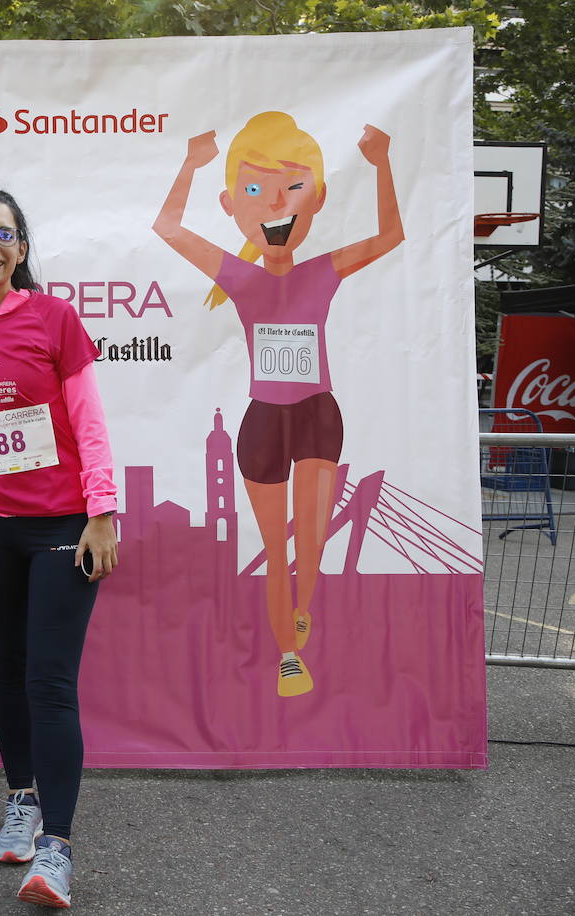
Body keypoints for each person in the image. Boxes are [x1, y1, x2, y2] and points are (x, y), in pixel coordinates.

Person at [153, 111, 403, 698]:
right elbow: (166, 227)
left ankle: (303, 608)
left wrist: (383, 163)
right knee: (273, 546)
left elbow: (391, 237)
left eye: (292, 187)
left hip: (317, 413)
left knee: (310, 540)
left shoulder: (324, 269)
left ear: (316, 199)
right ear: (232, 203)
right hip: (264, 420)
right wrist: (189, 164)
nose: (275, 205)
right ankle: (289, 654)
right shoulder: (238, 277)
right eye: (256, 190)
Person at [0, 189, 118, 908]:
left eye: (5, 235)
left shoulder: (53, 318)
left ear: (20, 249)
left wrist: (102, 512)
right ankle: (21, 799)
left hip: (62, 526)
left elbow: (89, 419)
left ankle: (57, 850)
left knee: (49, 681)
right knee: (7, 670)